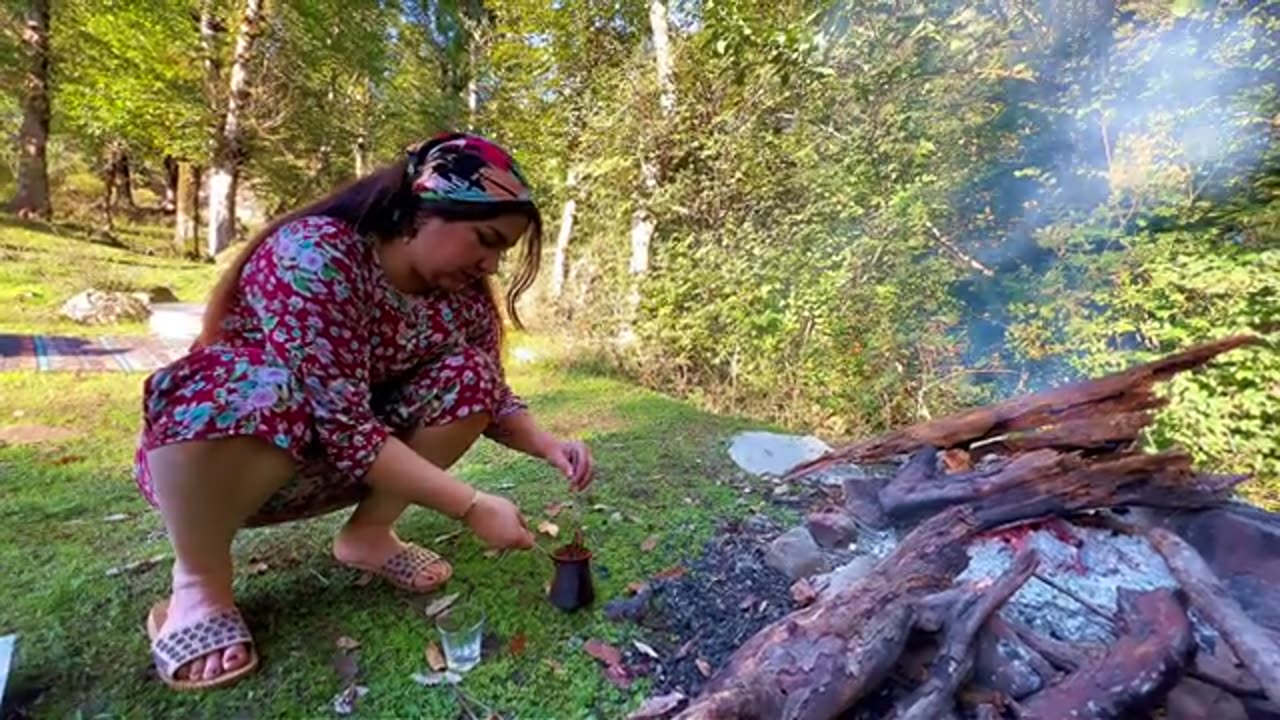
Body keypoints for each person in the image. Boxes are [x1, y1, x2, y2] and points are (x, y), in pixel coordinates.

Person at [132, 132, 594, 692]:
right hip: (230, 468)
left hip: (343, 461)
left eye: (502, 252)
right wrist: (472, 506)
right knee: (265, 387)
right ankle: (200, 582)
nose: (492, 266)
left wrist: (548, 445)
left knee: (471, 372)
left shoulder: (461, 295)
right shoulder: (315, 256)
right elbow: (347, 430)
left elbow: (488, 395)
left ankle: (370, 535)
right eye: (486, 240)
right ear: (421, 210)